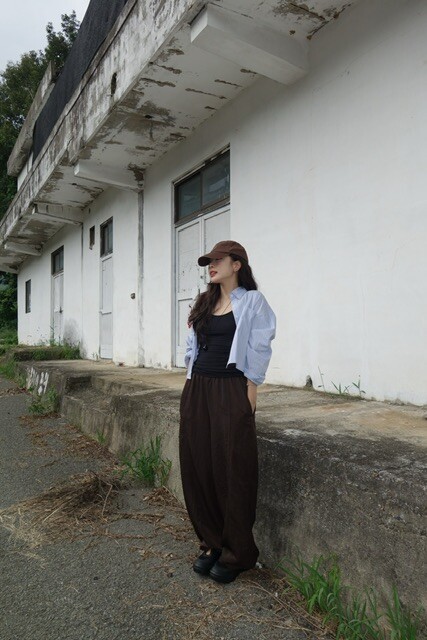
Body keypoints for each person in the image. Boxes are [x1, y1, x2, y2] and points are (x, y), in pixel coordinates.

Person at [179, 240, 276, 584]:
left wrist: (251, 387)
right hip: (197, 388)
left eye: (219, 260)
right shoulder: (204, 302)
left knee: (233, 469)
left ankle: (238, 553)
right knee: (199, 466)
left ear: (237, 265)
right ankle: (212, 543)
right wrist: (189, 381)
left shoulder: (252, 301)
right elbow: (191, 346)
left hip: (230, 388)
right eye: (209, 261)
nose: (212, 265)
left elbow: (260, 344)